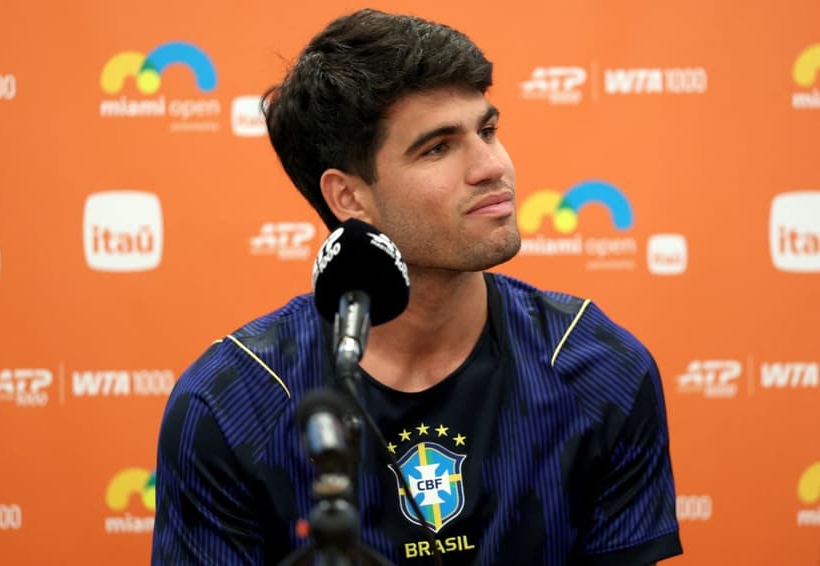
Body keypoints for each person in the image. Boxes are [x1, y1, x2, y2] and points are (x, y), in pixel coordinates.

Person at [152, 8, 682, 565]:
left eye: (488, 130)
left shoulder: (600, 367)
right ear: (350, 198)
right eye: (438, 147)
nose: (491, 166)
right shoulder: (231, 404)